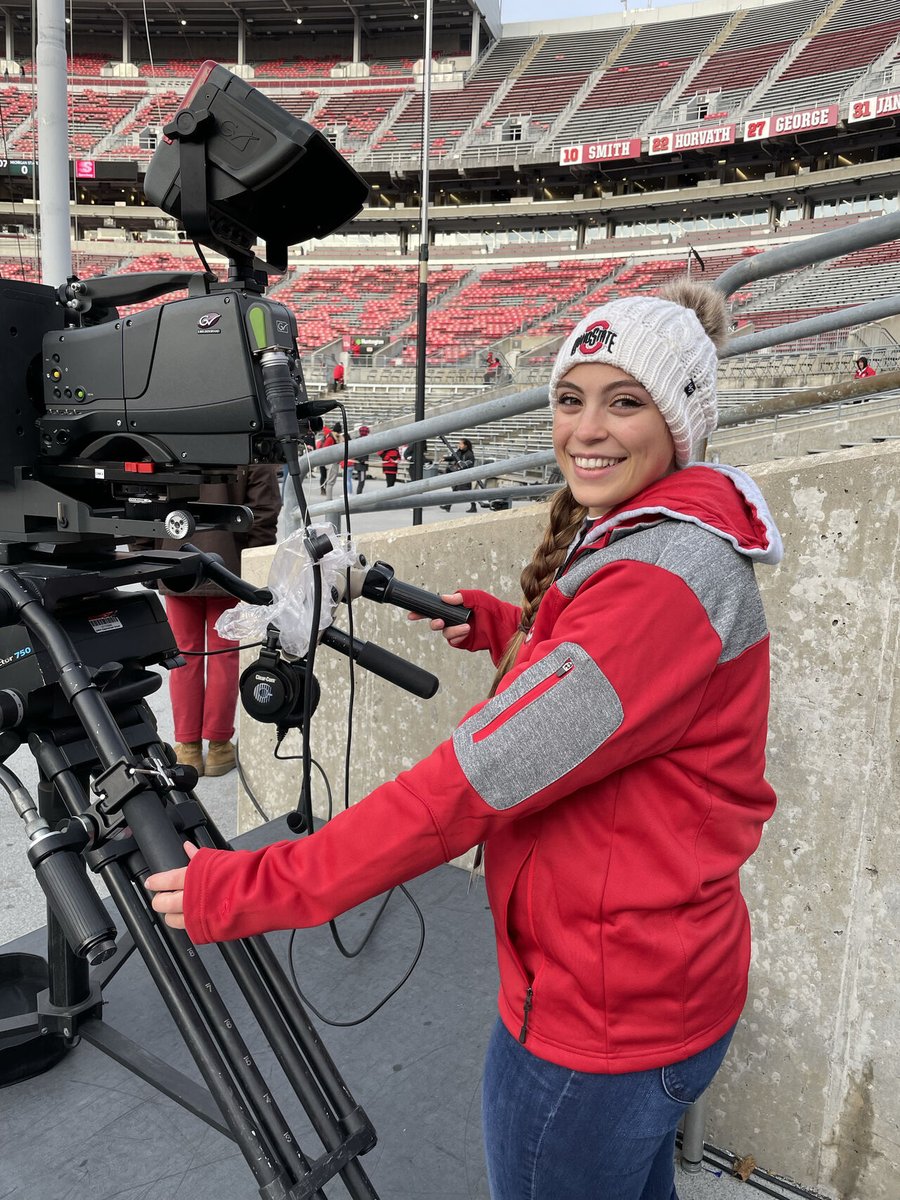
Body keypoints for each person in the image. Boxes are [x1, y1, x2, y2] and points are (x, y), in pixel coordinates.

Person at [145, 279, 783, 1200]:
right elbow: (615, 686)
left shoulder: (662, 583)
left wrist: (252, 886)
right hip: (652, 985)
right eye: (571, 400)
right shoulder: (673, 535)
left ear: (683, 419)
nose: (587, 429)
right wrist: (503, 625)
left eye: (625, 402)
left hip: (603, 1022)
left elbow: (461, 791)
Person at [133, 466, 281, 777]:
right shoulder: (248, 440)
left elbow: (142, 500)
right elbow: (264, 508)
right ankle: (218, 747)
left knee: (184, 656)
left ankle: (188, 748)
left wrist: (145, 554)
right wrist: (253, 561)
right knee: (224, 655)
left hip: (175, 560)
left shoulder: (166, 435)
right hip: (229, 562)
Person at [440, 437, 477, 513]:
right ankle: (448, 506)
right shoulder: (459, 452)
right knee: (455, 490)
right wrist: (445, 458)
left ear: (466, 445)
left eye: (461, 443)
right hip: (459, 474)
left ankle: (474, 506)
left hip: (465, 476)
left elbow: (469, 464)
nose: (459, 445)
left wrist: (461, 466)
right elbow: (454, 457)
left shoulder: (470, 454)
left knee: (467, 492)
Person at [354, 425, 371, 494]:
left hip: (361, 464)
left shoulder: (358, 439)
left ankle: (359, 494)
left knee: (361, 481)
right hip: (361, 465)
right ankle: (359, 495)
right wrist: (362, 460)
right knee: (361, 481)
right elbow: (359, 452)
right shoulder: (363, 440)